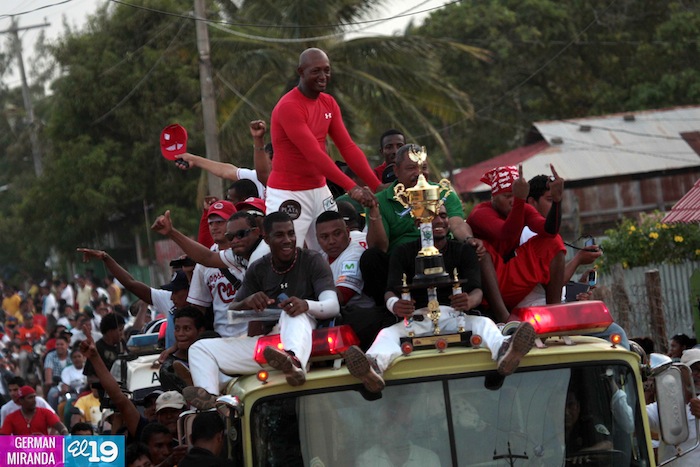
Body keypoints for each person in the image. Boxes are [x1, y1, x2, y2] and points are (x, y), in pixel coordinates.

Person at [344, 205, 536, 393]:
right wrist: (396, 305)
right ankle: (373, 367)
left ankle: (505, 351)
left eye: (443, 216)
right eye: (432, 216)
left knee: (484, 324)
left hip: (456, 317)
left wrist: (469, 301)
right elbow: (389, 291)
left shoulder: (463, 251)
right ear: (418, 223)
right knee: (387, 335)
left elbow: (477, 290)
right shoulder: (403, 252)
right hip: (416, 319)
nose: (439, 221)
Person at [181, 211, 339, 406]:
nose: (288, 240)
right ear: (266, 239)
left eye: (291, 233)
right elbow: (232, 311)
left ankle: (294, 364)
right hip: (270, 347)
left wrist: (306, 305)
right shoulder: (258, 268)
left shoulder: (311, 259)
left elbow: (332, 306)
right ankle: (214, 404)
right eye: (280, 235)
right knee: (199, 348)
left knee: (291, 312)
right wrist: (247, 302)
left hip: (306, 338)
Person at [267, 47, 379, 252]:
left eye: (326, 70)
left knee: (334, 250)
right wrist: (351, 187)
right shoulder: (289, 106)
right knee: (286, 253)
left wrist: (377, 185)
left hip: (320, 190)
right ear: (301, 72)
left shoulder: (328, 103)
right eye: (316, 71)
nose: (323, 76)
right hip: (289, 193)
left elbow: (347, 147)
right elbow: (314, 154)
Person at [150, 209, 267, 339]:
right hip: (230, 336)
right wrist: (171, 233)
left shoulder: (264, 252)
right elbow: (207, 258)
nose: (235, 240)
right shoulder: (238, 254)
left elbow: (258, 312)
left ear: (256, 232)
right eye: (230, 237)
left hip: (271, 330)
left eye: (241, 234)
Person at [467, 164, 566, 310]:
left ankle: (555, 309)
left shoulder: (523, 208)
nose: (512, 201)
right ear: (493, 197)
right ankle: (503, 316)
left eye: (515, 196)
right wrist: (520, 199)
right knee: (481, 250)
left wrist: (557, 201)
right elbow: (506, 234)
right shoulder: (480, 213)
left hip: (509, 274)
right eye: (507, 196)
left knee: (554, 241)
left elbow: (549, 231)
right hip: (487, 287)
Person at [78, 248, 190, 350]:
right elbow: (131, 283)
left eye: (176, 292)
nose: (172, 297)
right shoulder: (168, 298)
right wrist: (106, 258)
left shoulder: (199, 304)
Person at [316, 210, 393, 350]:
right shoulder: (320, 256)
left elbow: (341, 296)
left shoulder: (354, 254)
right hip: (334, 314)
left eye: (337, 234)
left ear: (347, 231)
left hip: (362, 317)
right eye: (324, 237)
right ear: (317, 239)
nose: (331, 241)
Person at [177, 119, 271, 198]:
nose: (259, 164)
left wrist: (258, 140)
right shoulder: (255, 176)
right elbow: (226, 171)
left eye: (263, 161)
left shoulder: (276, 179)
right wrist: (194, 160)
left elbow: (263, 172)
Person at [647, 348, 700, 465]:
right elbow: (637, 418)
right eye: (694, 369)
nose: (699, 374)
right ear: (681, 372)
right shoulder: (666, 404)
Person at [0, 385, 68, 435]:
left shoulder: (45, 413)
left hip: (43, 448)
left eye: (34, 397)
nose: (34, 400)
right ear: (21, 400)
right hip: (21, 449)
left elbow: (61, 427)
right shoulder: (11, 418)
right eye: (30, 398)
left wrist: (65, 434)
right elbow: (3, 438)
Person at [43, 334, 71, 408]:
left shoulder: (72, 355)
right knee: (52, 395)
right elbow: (48, 371)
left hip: (72, 384)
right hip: (57, 385)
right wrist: (49, 381)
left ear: (67, 345)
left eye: (62, 344)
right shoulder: (50, 356)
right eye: (57, 344)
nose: (59, 346)